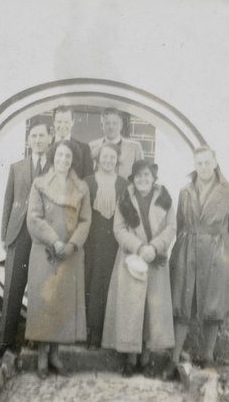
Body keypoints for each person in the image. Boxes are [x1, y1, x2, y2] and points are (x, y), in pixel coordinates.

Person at [164, 146, 229, 379]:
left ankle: (208, 357)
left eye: (207, 163)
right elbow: (179, 222)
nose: (204, 168)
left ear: (215, 163)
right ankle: (173, 358)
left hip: (218, 252)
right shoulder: (185, 190)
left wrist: (223, 249)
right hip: (188, 249)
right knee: (182, 304)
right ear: (194, 165)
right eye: (199, 164)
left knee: (213, 306)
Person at [102, 160, 176, 378]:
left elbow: (171, 227)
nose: (143, 179)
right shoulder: (125, 198)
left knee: (150, 311)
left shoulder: (165, 199)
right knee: (130, 310)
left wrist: (153, 247)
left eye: (147, 175)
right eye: (139, 176)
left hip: (155, 259)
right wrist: (139, 247)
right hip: (131, 259)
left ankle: (145, 360)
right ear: (133, 178)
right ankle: (129, 360)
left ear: (154, 178)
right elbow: (119, 229)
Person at [25, 140, 92, 379]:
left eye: (69, 156)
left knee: (62, 305)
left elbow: (85, 221)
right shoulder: (40, 184)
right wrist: (54, 241)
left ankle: (55, 355)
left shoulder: (81, 187)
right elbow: (33, 218)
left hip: (70, 255)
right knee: (46, 303)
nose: (64, 160)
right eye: (60, 155)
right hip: (46, 253)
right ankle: (42, 357)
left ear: (73, 159)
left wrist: (73, 244)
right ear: (53, 157)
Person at [0, 120, 52, 355]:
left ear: (49, 139)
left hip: (41, 236)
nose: (38, 140)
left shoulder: (56, 168)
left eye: (42, 136)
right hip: (18, 233)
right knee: (13, 289)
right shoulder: (17, 167)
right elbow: (8, 202)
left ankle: (34, 340)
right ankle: (5, 343)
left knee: (40, 289)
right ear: (29, 141)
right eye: (34, 136)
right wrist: (4, 234)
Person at [83, 143, 129, 348]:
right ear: (98, 158)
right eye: (104, 156)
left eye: (112, 157)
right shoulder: (88, 182)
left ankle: (106, 335)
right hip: (91, 242)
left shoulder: (124, 185)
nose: (108, 160)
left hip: (114, 243)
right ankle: (90, 334)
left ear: (117, 160)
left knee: (109, 286)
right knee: (91, 285)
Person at [89, 108, 144, 179]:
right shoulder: (92, 146)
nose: (111, 127)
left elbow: (140, 175)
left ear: (121, 125)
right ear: (101, 125)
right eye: (107, 123)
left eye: (114, 123)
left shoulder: (135, 147)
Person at [52, 106, 94, 179]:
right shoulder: (46, 147)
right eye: (59, 121)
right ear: (53, 122)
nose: (62, 125)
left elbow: (88, 181)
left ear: (72, 122)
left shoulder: (84, 150)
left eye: (66, 122)